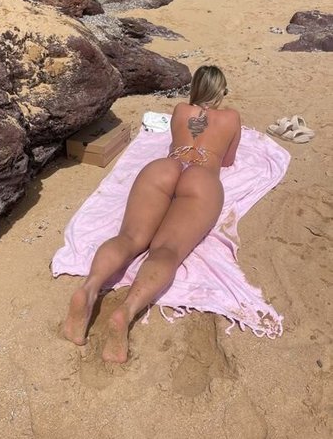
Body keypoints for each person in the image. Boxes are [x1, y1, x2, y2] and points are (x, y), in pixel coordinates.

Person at [63, 65, 241, 363]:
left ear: (196, 88)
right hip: (201, 177)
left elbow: (178, 141)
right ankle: (126, 311)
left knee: (130, 237)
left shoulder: (180, 110)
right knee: (167, 250)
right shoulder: (231, 117)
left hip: (165, 167)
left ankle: (90, 288)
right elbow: (228, 159)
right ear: (220, 90)